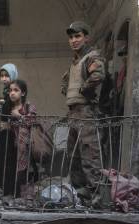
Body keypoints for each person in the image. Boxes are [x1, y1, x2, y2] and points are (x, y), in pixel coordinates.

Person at [61, 21, 105, 201]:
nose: (73, 40)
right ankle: (81, 192)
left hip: (86, 112)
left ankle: (96, 195)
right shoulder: (75, 61)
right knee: (74, 155)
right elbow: (66, 81)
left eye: (77, 36)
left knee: (90, 154)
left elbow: (98, 75)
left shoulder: (91, 57)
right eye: (71, 37)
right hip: (74, 112)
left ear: (86, 37)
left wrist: (83, 90)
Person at [0, 63, 19, 196]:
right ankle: (3, 189)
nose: (4, 78)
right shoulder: (5, 92)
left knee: (10, 161)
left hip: (12, 133)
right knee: (2, 159)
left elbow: (15, 112)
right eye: (2, 76)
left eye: (6, 75)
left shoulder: (14, 91)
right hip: (4, 133)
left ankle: (10, 190)